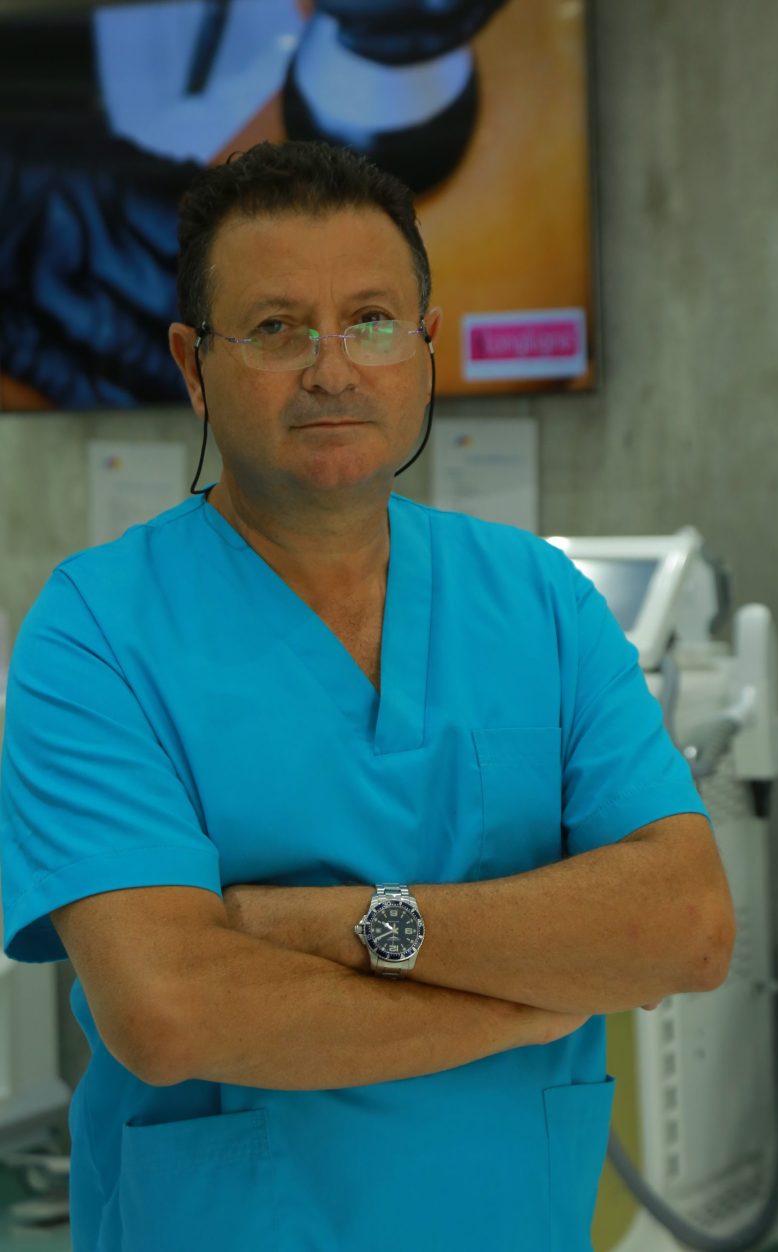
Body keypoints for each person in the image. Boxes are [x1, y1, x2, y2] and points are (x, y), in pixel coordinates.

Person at [0, 141, 735, 1252]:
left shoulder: (536, 598)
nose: (332, 369)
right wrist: (526, 1004)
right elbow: (168, 1010)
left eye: (372, 322)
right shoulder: (98, 628)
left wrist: (313, 923)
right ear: (194, 366)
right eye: (276, 328)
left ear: (426, 348)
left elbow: (684, 927)